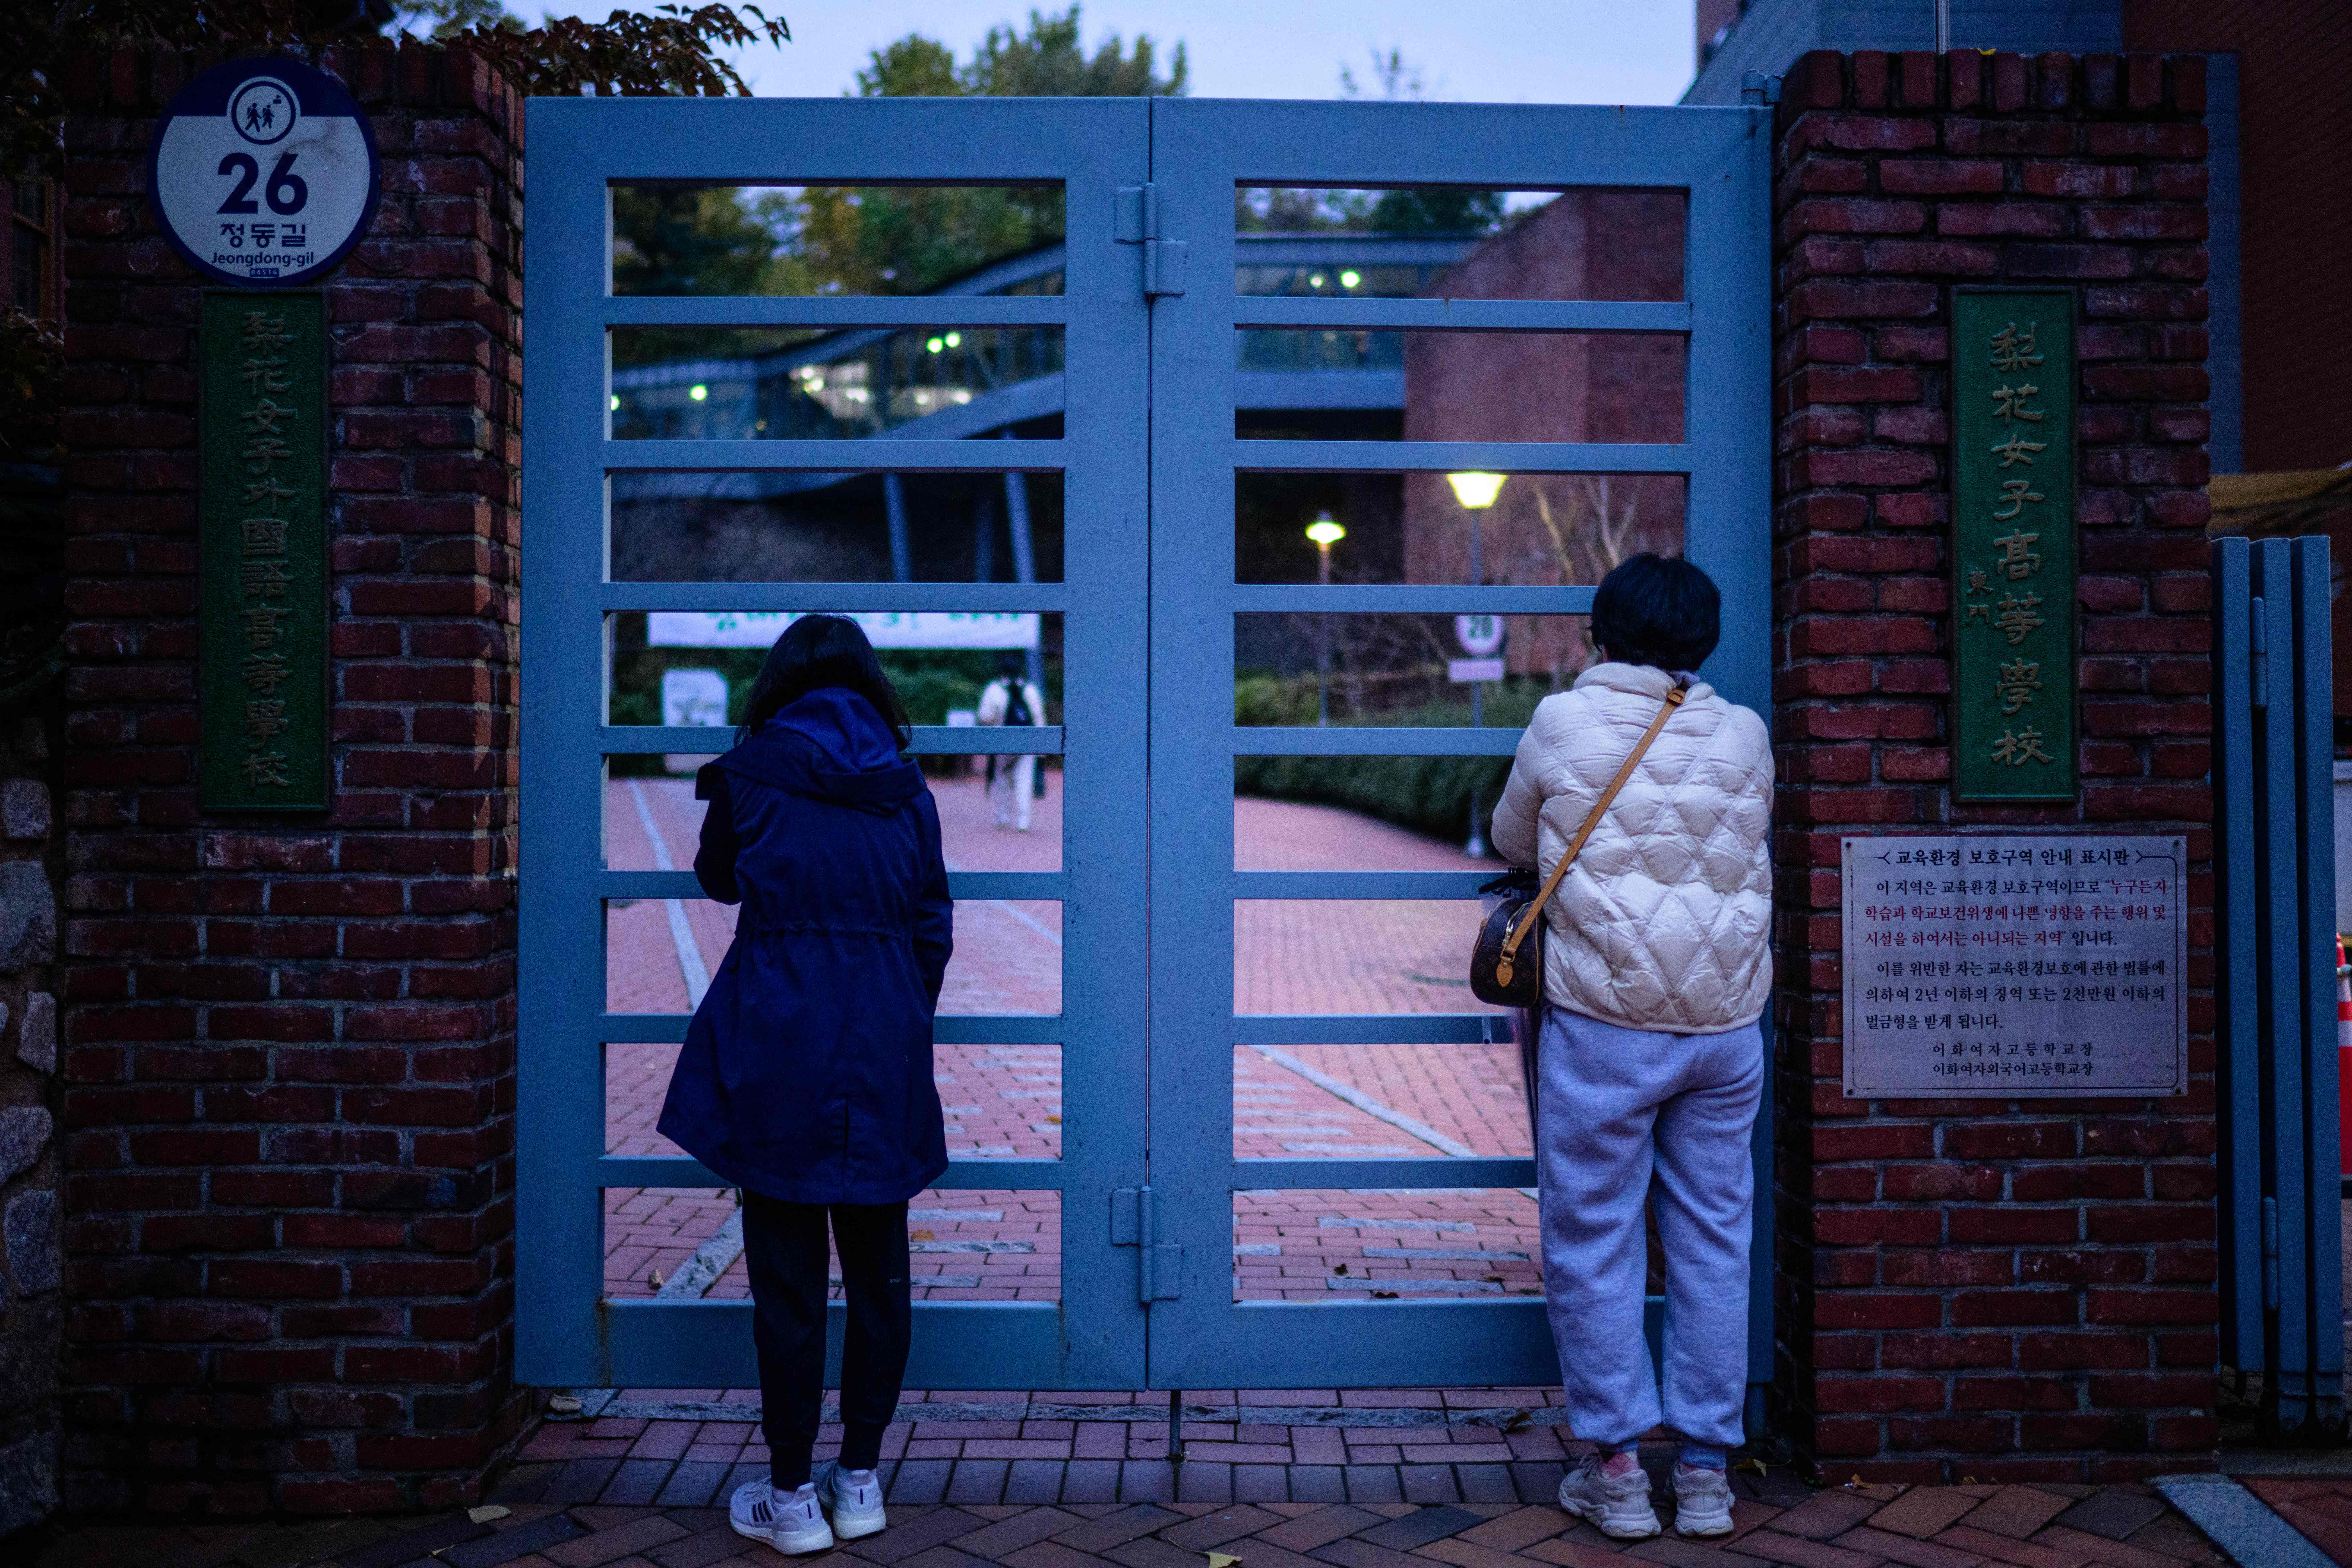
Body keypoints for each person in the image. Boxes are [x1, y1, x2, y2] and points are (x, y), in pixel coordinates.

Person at [1488, 554, 1772, 1542]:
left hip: (1606, 1025)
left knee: (1594, 1237)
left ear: (1597, 631)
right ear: (1702, 637)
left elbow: (1509, 837)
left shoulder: (1562, 723)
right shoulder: (1744, 733)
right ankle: (1702, 1474)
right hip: (1724, 1028)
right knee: (1712, 1240)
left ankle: (1614, 1470)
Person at [657, 615, 953, 1556]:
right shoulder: (906, 789)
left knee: (784, 1282)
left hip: (779, 1037)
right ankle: (859, 1481)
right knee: (880, 1274)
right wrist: (900, 1001)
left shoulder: (749, 773)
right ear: (871, 684)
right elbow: (932, 922)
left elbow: (715, 880)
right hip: (884, 1042)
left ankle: (790, 1498)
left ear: (777, 682)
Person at [976, 653, 1046, 832]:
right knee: (1025, 779)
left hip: (1002, 742)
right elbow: (1038, 717)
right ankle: (1024, 819)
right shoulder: (1030, 689)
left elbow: (985, 717)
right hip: (1027, 742)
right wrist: (1042, 746)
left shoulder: (994, 689)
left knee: (1002, 778)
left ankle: (1003, 815)